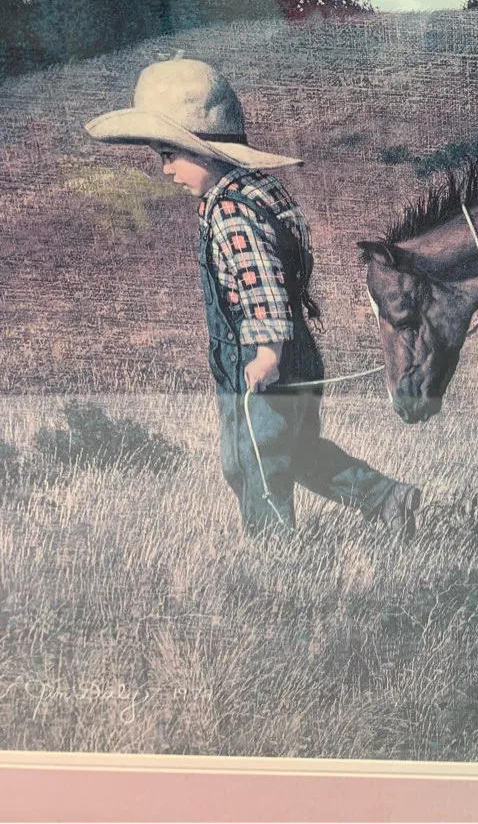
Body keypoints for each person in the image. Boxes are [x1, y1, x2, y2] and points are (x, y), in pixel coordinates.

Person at [86, 58, 420, 539]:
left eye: (170, 155)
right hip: (297, 351)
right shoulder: (259, 191)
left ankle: (274, 551)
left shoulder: (230, 211)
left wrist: (266, 353)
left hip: (261, 355)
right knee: (297, 451)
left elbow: (262, 284)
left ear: (202, 151)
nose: (165, 169)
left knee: (252, 459)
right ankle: (386, 498)